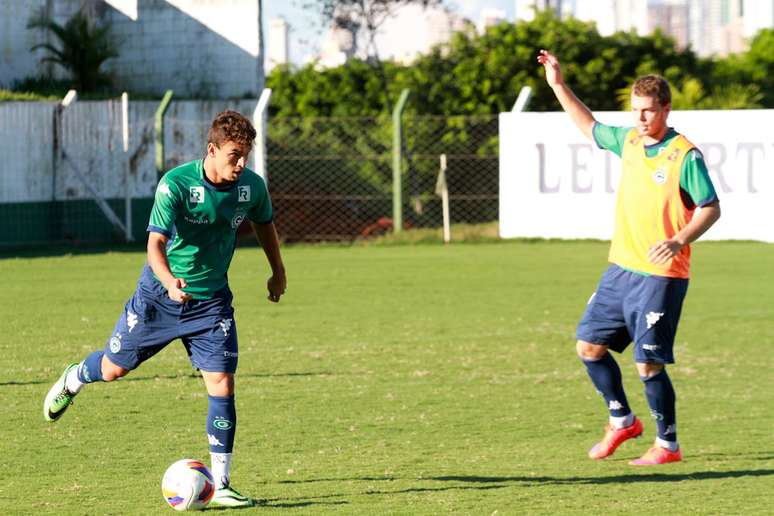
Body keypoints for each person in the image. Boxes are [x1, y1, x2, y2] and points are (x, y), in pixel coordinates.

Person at [43, 110, 286, 505]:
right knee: (113, 368)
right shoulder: (175, 184)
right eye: (234, 155)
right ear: (212, 149)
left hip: (211, 305)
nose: (242, 164)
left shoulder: (251, 187)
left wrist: (278, 271)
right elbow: (154, 244)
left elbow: (264, 222)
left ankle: (221, 484)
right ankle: (74, 378)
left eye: (246, 155)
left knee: (222, 384)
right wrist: (170, 280)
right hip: (158, 298)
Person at [537, 50, 721, 465]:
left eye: (648, 111)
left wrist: (679, 239)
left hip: (662, 275)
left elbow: (711, 207)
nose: (639, 119)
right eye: (635, 110)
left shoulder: (684, 156)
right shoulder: (631, 141)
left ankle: (667, 445)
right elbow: (591, 127)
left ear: (666, 109)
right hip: (621, 269)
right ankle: (622, 420)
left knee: (648, 365)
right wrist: (558, 85)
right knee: (588, 348)